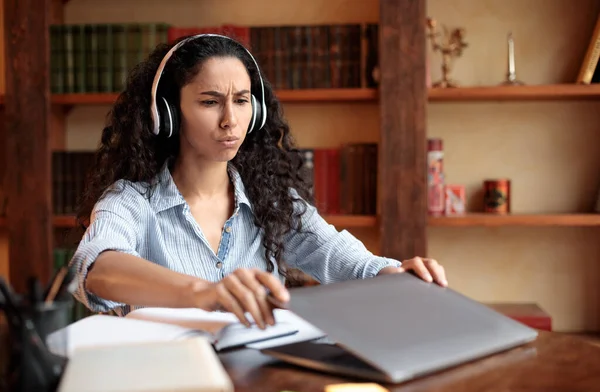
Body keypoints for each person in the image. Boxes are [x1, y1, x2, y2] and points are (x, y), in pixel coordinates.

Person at [69, 34, 447, 330]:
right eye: (210, 102)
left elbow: (336, 255)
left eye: (242, 100)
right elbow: (98, 269)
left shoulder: (273, 199)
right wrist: (206, 292)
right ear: (168, 113)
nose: (230, 120)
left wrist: (395, 275)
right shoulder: (131, 201)